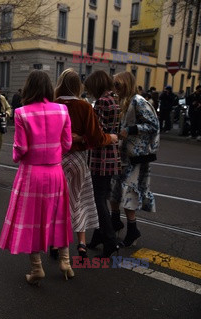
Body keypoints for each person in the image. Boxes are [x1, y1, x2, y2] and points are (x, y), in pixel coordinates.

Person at [0, 70, 74, 284]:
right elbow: (67, 144)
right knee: (59, 216)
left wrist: (15, 156)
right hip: (55, 172)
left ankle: (37, 268)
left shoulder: (22, 113)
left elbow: (21, 148)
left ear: (29, 87)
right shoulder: (62, 110)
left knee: (32, 219)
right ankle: (65, 262)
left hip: (31, 174)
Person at [54, 68, 117, 259]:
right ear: (77, 86)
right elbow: (96, 138)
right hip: (79, 160)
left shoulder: (52, 106)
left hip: (58, 159)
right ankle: (81, 243)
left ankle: (56, 244)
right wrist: (110, 137)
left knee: (58, 202)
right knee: (79, 200)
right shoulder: (84, 107)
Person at [111, 71, 160, 247]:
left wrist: (130, 130)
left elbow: (153, 124)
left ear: (126, 83)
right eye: (113, 84)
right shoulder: (124, 101)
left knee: (129, 193)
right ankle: (116, 227)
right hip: (124, 155)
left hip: (136, 157)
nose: (115, 88)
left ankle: (132, 231)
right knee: (115, 191)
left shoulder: (138, 101)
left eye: (117, 84)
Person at [83, 70, 122, 257]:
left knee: (98, 199)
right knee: (102, 197)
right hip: (112, 155)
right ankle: (99, 236)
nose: (89, 91)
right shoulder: (115, 100)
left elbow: (95, 132)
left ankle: (110, 241)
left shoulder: (101, 102)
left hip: (101, 157)